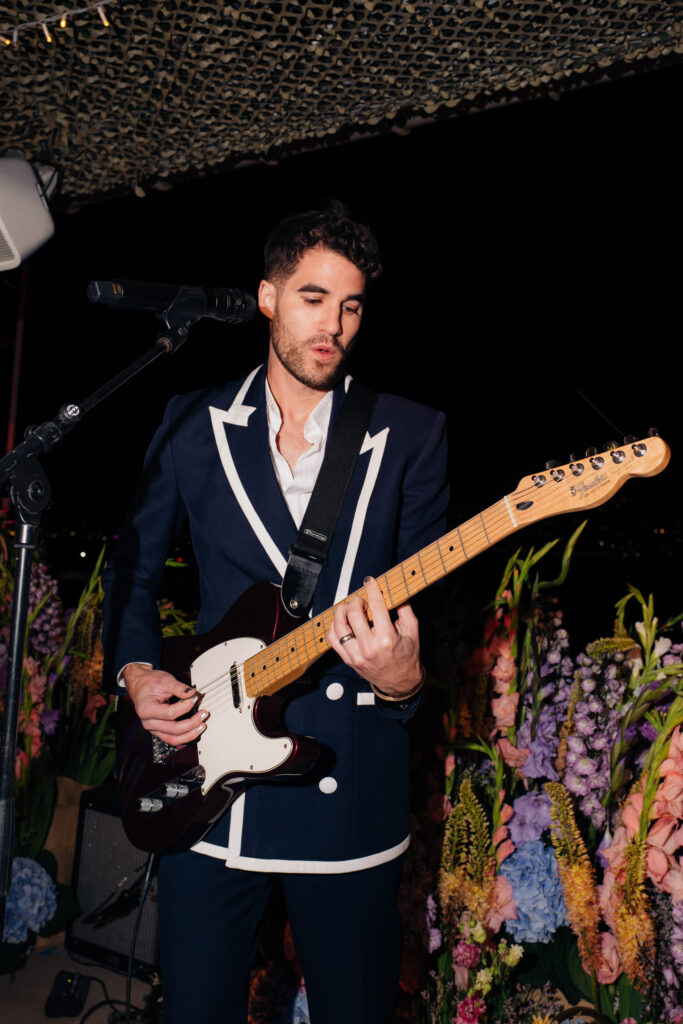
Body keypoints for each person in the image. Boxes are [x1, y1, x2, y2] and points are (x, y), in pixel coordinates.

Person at [103, 202, 449, 1024]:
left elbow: (430, 617)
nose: (333, 325)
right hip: (207, 784)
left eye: (351, 305)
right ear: (266, 297)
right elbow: (133, 572)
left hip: (347, 786)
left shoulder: (411, 434)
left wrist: (403, 683)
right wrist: (138, 671)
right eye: (312, 298)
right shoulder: (191, 423)